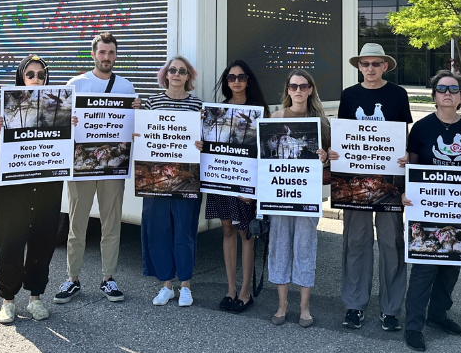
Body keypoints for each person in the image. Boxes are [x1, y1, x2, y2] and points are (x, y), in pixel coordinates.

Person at [402, 70, 461, 352]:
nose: (447, 93)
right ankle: (414, 326)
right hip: (428, 211)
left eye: (453, 89)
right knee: (424, 268)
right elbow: (412, 167)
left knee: (451, 266)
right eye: (442, 89)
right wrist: (406, 192)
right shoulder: (422, 128)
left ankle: (437, 315)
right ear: (434, 95)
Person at [328, 43, 412, 331]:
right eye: (366, 64)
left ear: (385, 66)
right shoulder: (349, 96)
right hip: (355, 183)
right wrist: (337, 153)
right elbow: (344, 135)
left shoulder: (398, 94)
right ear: (359, 67)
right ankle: (354, 304)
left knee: (392, 243)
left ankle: (391, 309)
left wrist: (406, 157)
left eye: (376, 64)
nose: (371, 68)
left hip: (389, 182)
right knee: (356, 242)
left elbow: (404, 135)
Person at [55, 32, 138, 306]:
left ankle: (108, 277)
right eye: (102, 52)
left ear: (116, 55)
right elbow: (59, 121)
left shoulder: (126, 87)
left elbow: (134, 125)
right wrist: (70, 119)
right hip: (81, 165)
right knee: (77, 223)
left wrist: (137, 111)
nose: (107, 58)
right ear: (93, 54)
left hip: (113, 167)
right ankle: (72, 278)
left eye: (111, 53)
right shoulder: (76, 83)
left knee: (111, 222)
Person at [0, 54, 63, 324]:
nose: (36, 79)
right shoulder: (5, 105)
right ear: (21, 76)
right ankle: (8, 300)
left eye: (41, 75)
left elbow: (67, 150)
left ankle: (36, 298)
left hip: (47, 188)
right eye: (30, 74)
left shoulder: (60, 107)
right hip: (13, 190)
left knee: (43, 242)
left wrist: (70, 128)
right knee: (9, 243)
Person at [202, 60, 270, 313]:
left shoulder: (259, 111)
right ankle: (230, 289)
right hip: (221, 179)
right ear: (226, 82)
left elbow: (264, 153)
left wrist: (255, 191)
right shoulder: (215, 111)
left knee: (246, 234)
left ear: (248, 81)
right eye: (231, 78)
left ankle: (245, 291)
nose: (237, 81)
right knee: (228, 230)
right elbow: (210, 146)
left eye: (241, 77)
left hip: (246, 185)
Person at [140, 55, 203, 306]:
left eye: (182, 71)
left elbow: (204, 137)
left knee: (184, 231)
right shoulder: (150, 103)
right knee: (159, 230)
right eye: (172, 70)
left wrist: (201, 143)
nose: (176, 74)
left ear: (189, 76)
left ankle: (186, 285)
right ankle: (166, 285)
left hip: (186, 178)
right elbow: (141, 133)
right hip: (155, 177)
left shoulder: (198, 105)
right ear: (165, 74)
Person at [268, 69, 329, 327]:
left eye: (303, 86)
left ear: (310, 89)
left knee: (305, 247)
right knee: (279, 246)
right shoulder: (275, 118)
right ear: (288, 90)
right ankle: (282, 305)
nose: (298, 91)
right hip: (280, 193)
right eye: (293, 86)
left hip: (307, 194)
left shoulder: (321, 122)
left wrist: (325, 157)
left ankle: (304, 307)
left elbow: (328, 162)